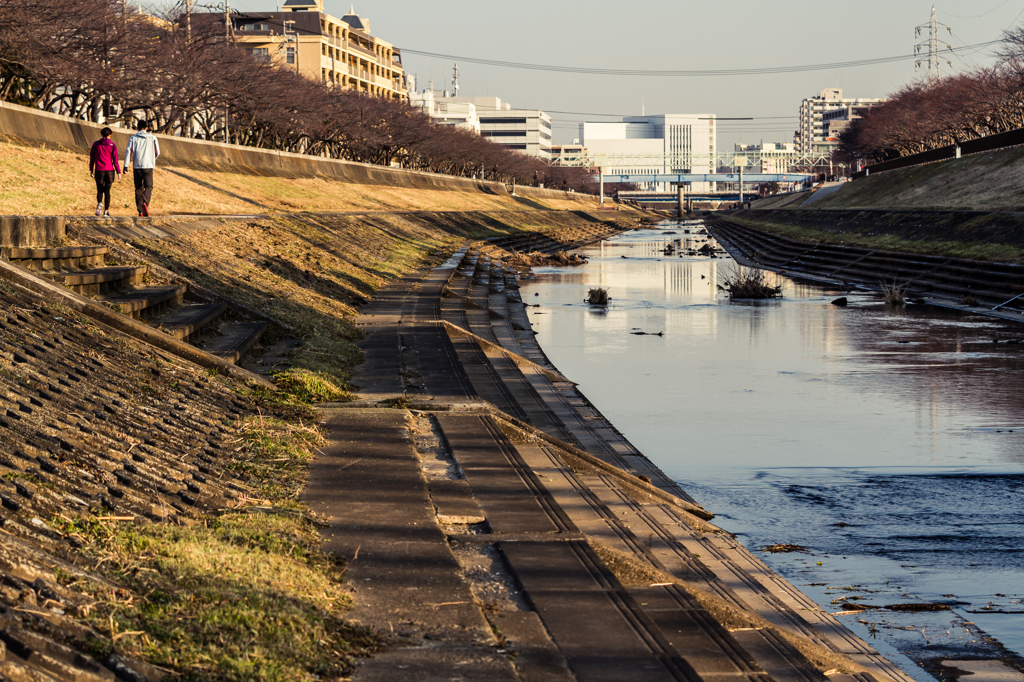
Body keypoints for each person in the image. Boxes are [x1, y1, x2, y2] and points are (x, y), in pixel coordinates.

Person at [124, 119, 160, 217]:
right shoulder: (153, 138)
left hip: (137, 165)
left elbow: (128, 152)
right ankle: (145, 202)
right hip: (148, 165)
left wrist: (125, 165)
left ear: (137, 128)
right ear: (147, 128)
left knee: (138, 188)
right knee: (149, 186)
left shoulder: (133, 138)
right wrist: (152, 158)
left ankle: (140, 210)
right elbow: (157, 152)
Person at [88, 127, 120, 217]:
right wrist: (119, 172)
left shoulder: (96, 144)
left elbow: (92, 158)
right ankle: (106, 211)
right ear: (111, 135)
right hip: (109, 170)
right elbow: (115, 160)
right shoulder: (113, 145)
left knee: (99, 190)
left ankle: (99, 203)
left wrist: (91, 169)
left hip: (99, 170)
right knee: (107, 191)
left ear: (101, 134)